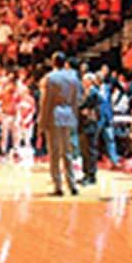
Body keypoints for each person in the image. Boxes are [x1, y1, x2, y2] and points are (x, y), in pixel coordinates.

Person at [39, 53, 82, 197]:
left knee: (55, 153)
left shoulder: (50, 78)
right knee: (68, 152)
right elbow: (77, 100)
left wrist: (42, 122)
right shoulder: (73, 78)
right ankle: (72, 184)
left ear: (53, 63)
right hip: (69, 114)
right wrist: (75, 117)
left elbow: (46, 102)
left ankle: (58, 186)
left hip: (54, 114)